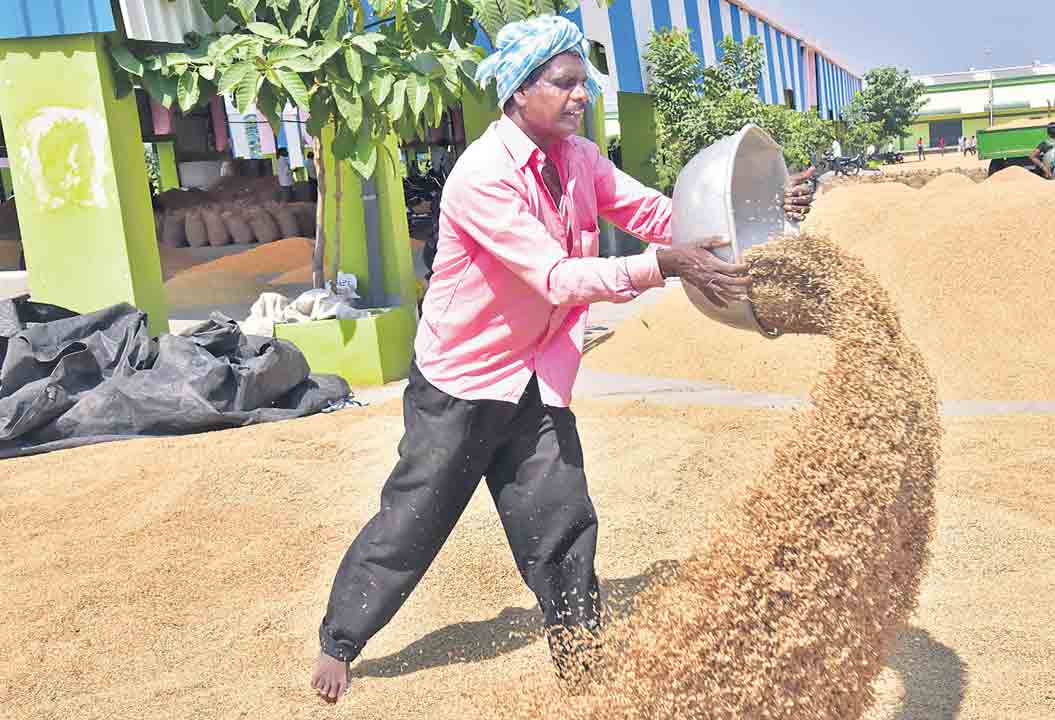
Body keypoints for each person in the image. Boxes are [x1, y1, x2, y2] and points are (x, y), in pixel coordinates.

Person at [309, 15, 817, 704]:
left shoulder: (578, 159)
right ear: (521, 90)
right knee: (415, 518)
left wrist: (761, 210)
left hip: (535, 375)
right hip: (463, 379)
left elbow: (660, 216)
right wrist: (662, 268)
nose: (582, 96)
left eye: (585, 83)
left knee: (562, 515)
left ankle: (580, 652)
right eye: (567, 82)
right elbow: (553, 276)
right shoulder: (483, 177)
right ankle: (341, 639)